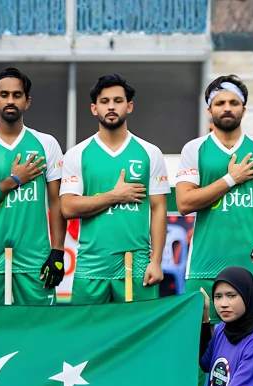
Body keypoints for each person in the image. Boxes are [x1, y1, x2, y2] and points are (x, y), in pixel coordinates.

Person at [0, 68, 66, 305]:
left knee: (41, 324)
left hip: (35, 260)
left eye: (17, 95)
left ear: (27, 101)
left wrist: (58, 252)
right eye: (4, 95)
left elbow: (57, 203)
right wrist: (14, 180)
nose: (10, 101)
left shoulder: (47, 144)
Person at [59, 74, 170, 304]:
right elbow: (68, 207)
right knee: (87, 328)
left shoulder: (150, 152)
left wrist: (156, 261)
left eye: (118, 101)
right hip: (91, 263)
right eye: (104, 101)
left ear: (129, 106)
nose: (111, 106)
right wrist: (114, 196)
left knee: (139, 327)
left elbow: (158, 209)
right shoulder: (77, 154)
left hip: (137, 263)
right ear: (94, 108)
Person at [177, 75, 253, 323]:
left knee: (252, 339)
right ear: (209, 110)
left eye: (233, 102)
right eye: (220, 103)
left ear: (243, 110)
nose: (227, 108)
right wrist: (230, 178)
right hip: (203, 265)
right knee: (201, 339)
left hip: (250, 266)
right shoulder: (194, 149)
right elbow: (184, 203)